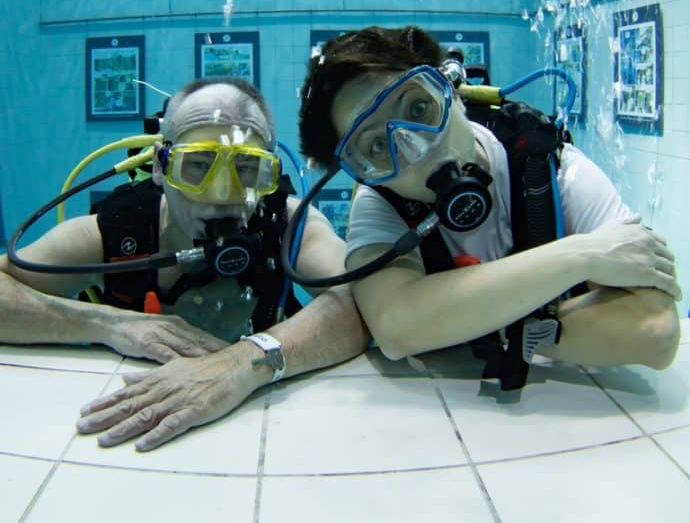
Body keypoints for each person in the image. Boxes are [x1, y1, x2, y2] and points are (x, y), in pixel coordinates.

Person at [297, 25, 681, 389]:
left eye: (417, 109)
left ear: (448, 88)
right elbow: (397, 327)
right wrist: (583, 255)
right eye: (378, 147)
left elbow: (656, 328)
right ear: (364, 172)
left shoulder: (551, 167)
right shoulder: (379, 205)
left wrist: (476, 326)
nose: (418, 148)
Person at [1, 77, 369, 449]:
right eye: (197, 165)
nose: (223, 195)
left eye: (246, 168)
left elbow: (363, 301)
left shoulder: (289, 226)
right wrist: (111, 325)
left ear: (268, 177)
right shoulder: (114, 233)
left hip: (262, 426)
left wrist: (243, 363)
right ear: (161, 167)